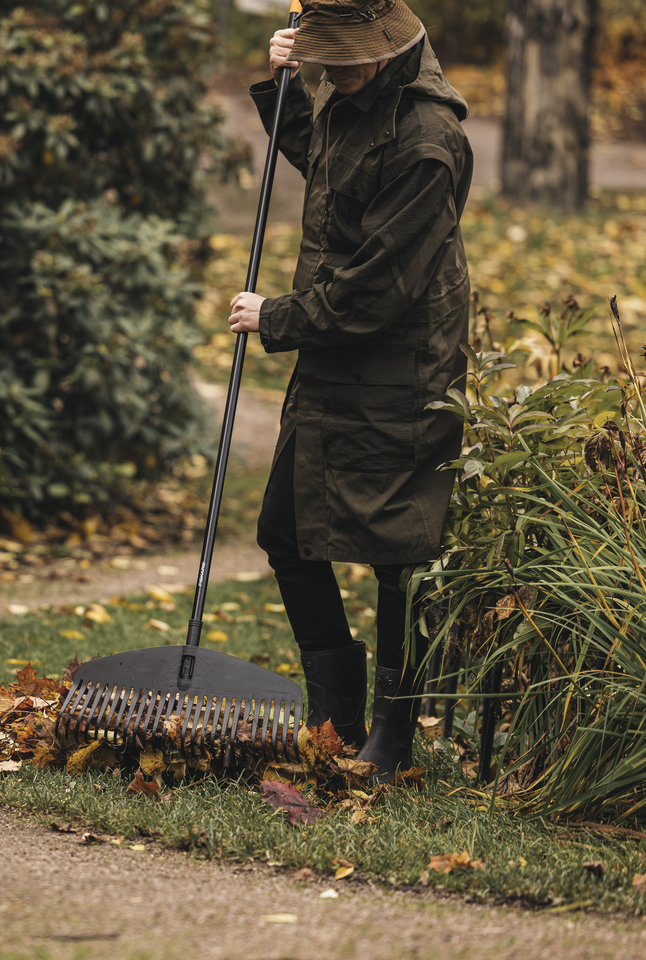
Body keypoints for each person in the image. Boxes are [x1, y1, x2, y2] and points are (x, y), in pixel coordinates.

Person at [226, 0, 472, 782]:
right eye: (324, 59)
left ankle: (392, 739)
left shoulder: (431, 143)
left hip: (400, 363)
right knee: (286, 531)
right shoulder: (351, 88)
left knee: (400, 552)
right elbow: (330, 173)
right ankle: (334, 717)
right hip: (337, 356)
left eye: (342, 61)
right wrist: (288, 92)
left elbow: (377, 291)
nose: (334, 72)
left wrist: (278, 318)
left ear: (390, 48)